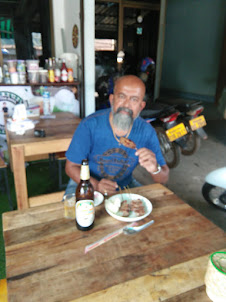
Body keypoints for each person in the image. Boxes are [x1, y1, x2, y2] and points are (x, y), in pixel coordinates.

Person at [65, 75, 169, 196]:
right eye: (121, 96)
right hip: (86, 181)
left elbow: (164, 178)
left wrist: (155, 169)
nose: (127, 105)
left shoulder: (147, 132)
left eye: (134, 99)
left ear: (141, 106)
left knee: (150, 210)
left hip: (124, 184)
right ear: (112, 99)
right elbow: (71, 166)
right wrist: (96, 185)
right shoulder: (90, 125)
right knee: (77, 213)